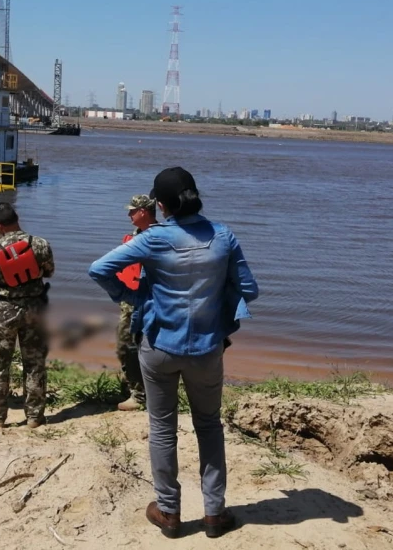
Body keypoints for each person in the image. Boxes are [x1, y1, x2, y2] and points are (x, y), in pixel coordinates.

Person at [88, 167, 258, 539]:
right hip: (207, 350)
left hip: (159, 347)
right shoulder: (223, 236)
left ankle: (168, 512)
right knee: (209, 426)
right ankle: (214, 514)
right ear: (195, 196)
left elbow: (99, 269)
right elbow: (249, 289)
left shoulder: (152, 239)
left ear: (161, 206)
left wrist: (133, 297)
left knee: (163, 428)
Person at [0, 203, 55, 428]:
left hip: (4, 310)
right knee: (35, 364)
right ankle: (35, 417)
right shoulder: (40, 244)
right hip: (35, 309)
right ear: (17, 217)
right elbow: (49, 271)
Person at [114, 194, 157, 411]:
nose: (129, 214)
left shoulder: (157, 237)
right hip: (130, 301)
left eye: (133, 210)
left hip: (147, 303)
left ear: (144, 212)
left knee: (132, 346)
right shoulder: (136, 235)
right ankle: (135, 386)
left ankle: (140, 395)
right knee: (127, 346)